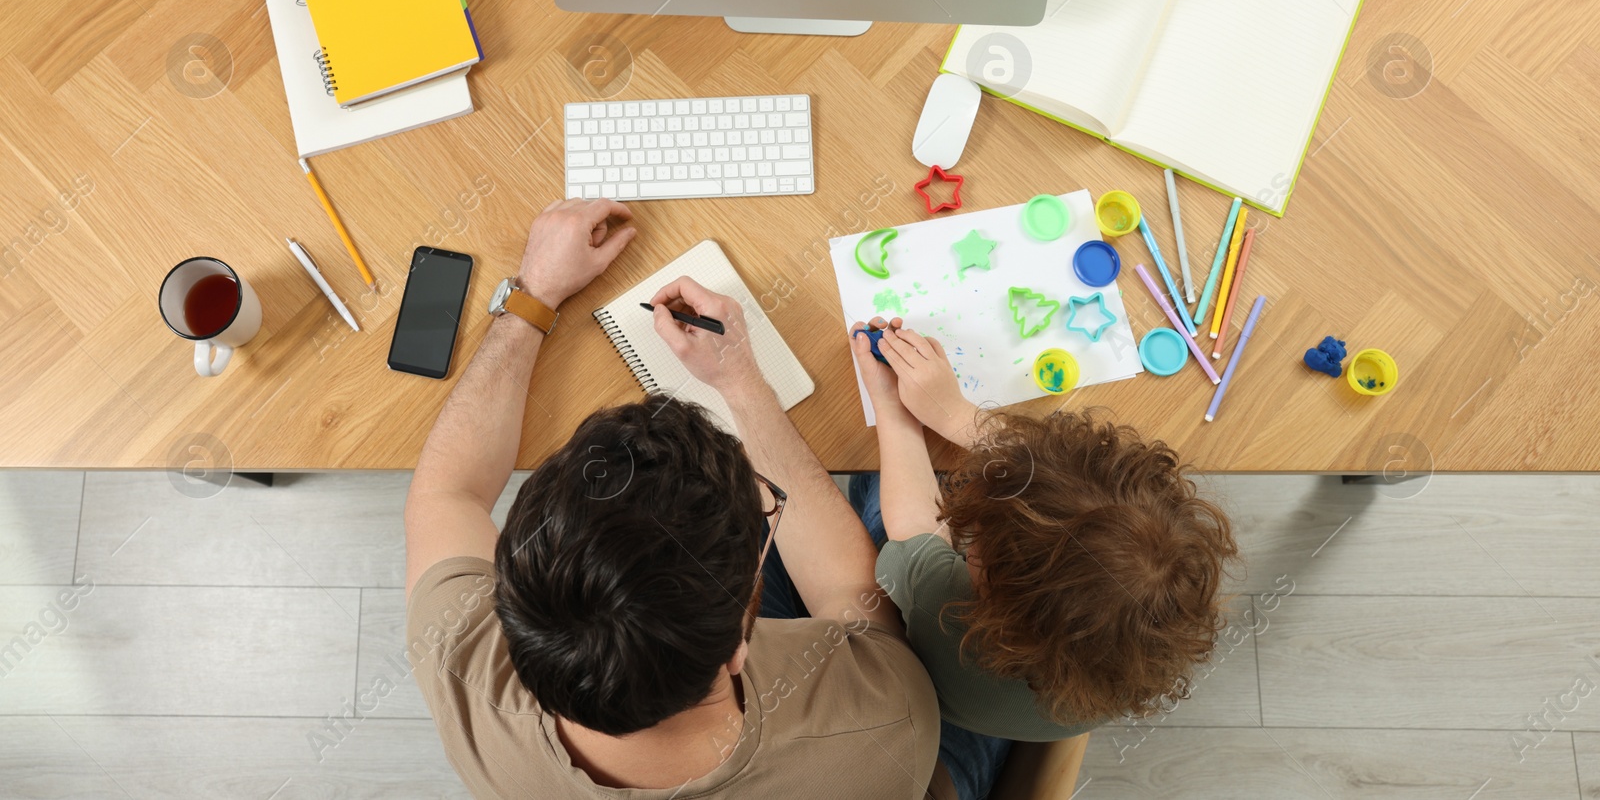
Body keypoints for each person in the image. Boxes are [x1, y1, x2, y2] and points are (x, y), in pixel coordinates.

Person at [403, 199, 950, 799]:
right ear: (742, 645)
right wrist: (743, 382)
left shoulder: (463, 668)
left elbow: (447, 492)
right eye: (764, 504)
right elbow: (854, 599)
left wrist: (534, 295)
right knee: (922, 499)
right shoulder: (881, 722)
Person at [846, 314, 1240, 748]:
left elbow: (914, 530)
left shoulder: (945, 608)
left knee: (872, 483)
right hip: (1028, 717)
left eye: (979, 531)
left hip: (939, 703)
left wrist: (889, 405)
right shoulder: (1142, 643)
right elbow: (1058, 487)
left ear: (992, 589)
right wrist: (954, 414)